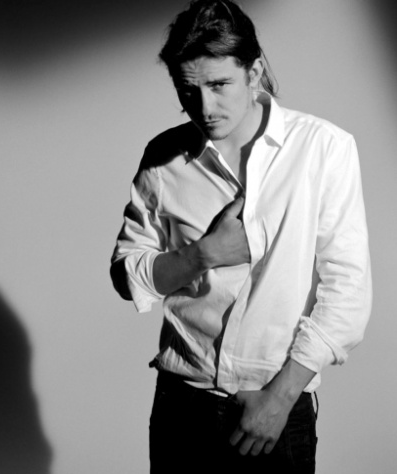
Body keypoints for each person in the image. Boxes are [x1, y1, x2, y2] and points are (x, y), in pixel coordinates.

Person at [109, 1, 372, 473]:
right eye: (188, 90)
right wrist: (202, 255)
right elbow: (127, 275)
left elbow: (347, 292)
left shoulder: (323, 149)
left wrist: (280, 398)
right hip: (181, 405)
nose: (204, 108)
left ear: (254, 73)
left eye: (218, 85)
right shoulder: (164, 157)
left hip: (275, 405)